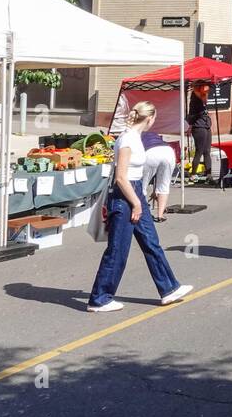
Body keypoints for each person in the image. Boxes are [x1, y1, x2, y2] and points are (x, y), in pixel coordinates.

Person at [87, 101, 192, 312]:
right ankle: (99, 298)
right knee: (117, 250)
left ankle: (169, 288)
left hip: (136, 193)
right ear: (150, 119)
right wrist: (135, 203)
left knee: (151, 242)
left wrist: (140, 198)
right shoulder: (127, 139)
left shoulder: (135, 138)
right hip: (125, 197)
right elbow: (120, 177)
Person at [141, 130, 177, 222]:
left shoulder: (135, 134)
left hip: (149, 152)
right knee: (164, 185)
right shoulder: (154, 134)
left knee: (142, 186)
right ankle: (160, 215)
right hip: (168, 151)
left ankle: (144, 214)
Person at [185, 81, 213, 182]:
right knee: (199, 151)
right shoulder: (195, 99)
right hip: (199, 127)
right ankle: (193, 174)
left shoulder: (203, 97)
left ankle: (209, 175)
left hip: (206, 125)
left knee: (207, 151)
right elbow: (192, 115)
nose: (207, 91)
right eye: (204, 89)